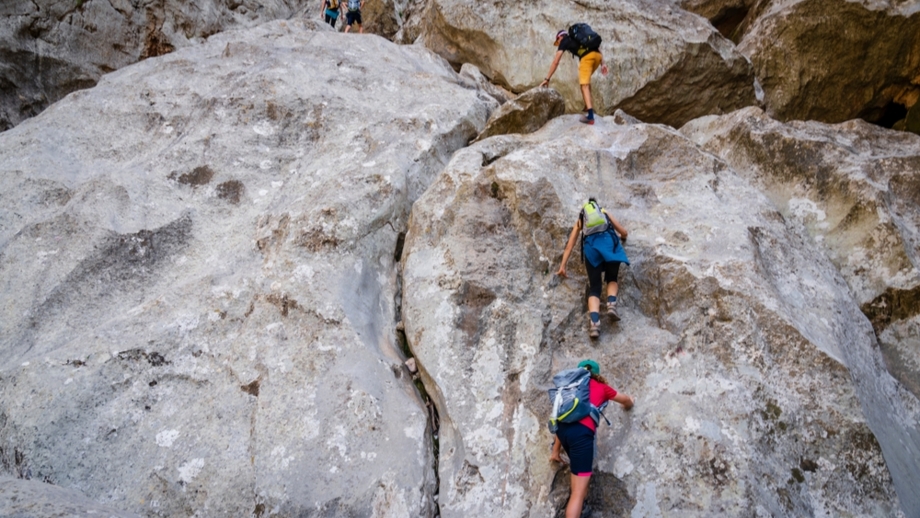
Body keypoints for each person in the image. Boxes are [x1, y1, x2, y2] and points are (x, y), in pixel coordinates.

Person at [551, 359, 633, 518]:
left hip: (563, 432)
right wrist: (630, 402)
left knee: (579, 482)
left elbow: (563, 419)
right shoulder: (602, 387)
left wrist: (555, 451)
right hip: (581, 437)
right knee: (578, 494)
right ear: (597, 374)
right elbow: (625, 400)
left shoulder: (570, 388)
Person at [556, 198, 628, 338]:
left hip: (592, 250)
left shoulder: (581, 221)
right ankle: (611, 304)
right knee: (612, 278)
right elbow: (623, 232)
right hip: (609, 245)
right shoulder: (604, 213)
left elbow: (570, 245)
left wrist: (563, 265)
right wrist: (623, 238)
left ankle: (595, 325)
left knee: (595, 288)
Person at [539, 28, 608, 125]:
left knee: (584, 85)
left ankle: (591, 117)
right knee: (585, 82)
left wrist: (547, 79)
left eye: (557, 41)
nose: (558, 44)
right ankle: (587, 105)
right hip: (597, 56)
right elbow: (596, 47)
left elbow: (556, 61)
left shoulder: (564, 40)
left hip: (587, 57)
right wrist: (603, 63)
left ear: (559, 37)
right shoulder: (578, 38)